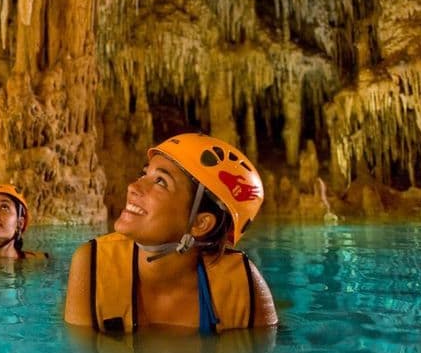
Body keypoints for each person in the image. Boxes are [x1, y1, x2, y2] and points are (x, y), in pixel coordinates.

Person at [64, 133, 277, 333]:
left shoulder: (242, 289)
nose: (132, 187)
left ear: (200, 223)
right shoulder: (92, 265)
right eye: (144, 174)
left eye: (160, 182)